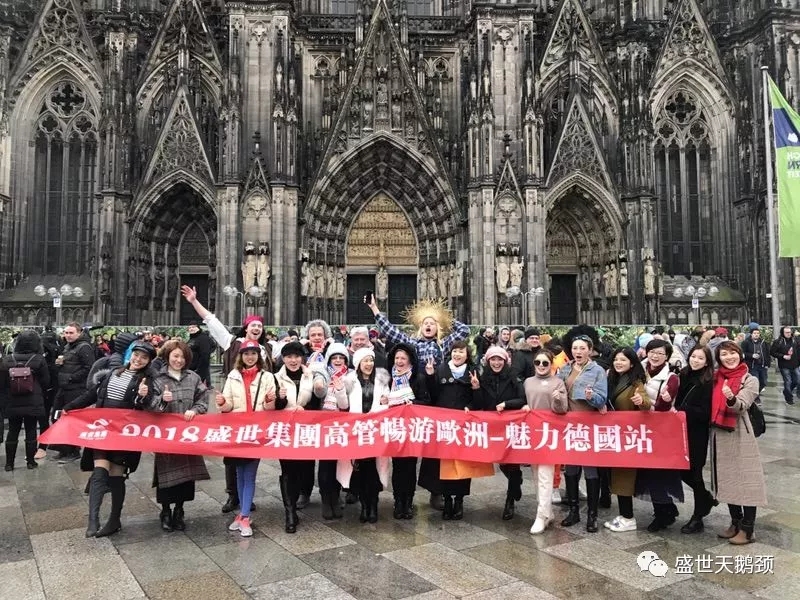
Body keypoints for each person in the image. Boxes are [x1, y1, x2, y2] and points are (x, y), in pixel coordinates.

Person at [366, 296, 469, 511]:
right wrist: (374, 308)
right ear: (420, 327)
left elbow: (464, 331)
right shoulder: (412, 343)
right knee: (407, 452)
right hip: (412, 398)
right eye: (425, 323)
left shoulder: (443, 345)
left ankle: (436, 492)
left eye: (432, 323)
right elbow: (390, 331)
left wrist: (446, 318)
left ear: (437, 327)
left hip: (435, 399)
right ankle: (403, 498)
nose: (428, 326)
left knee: (436, 447)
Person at [180, 285, 268, 513]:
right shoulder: (232, 343)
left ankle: (246, 494)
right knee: (232, 453)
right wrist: (193, 301)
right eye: (253, 325)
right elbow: (211, 321)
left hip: (257, 412)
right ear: (246, 328)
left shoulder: (267, 350)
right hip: (233, 408)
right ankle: (233, 495)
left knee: (252, 455)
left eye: (259, 326)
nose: (256, 328)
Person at [63, 342, 158, 537]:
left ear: (148, 361)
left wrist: (143, 396)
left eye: (144, 358)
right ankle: (93, 519)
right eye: (136, 355)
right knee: (99, 472)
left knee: (116, 476)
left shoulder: (147, 381)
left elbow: (147, 408)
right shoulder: (113, 372)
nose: (138, 360)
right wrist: (69, 407)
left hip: (125, 434)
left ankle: (114, 520)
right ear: (131, 355)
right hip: (104, 430)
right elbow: (92, 394)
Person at [216, 340, 277, 537]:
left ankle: (244, 515)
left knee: (249, 474)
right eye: (246, 353)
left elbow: (270, 408)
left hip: (256, 431)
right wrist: (222, 402)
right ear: (241, 356)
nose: (250, 357)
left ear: (259, 356)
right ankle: (242, 513)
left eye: (253, 353)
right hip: (237, 431)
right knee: (239, 473)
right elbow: (228, 406)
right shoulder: (233, 376)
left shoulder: (267, 377)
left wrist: (269, 400)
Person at [148, 340, 210, 532]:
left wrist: (195, 410)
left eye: (183, 357)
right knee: (166, 476)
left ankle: (179, 511)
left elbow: (203, 399)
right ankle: (166, 511)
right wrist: (162, 400)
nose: (179, 360)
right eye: (175, 356)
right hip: (166, 436)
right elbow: (150, 406)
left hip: (187, 436)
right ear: (168, 356)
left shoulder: (193, 377)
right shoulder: (158, 379)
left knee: (186, 477)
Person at [710, 341, 767, 544]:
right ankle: (735, 522)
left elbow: (742, 404)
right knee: (727, 479)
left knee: (747, 480)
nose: (729, 357)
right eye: (724, 354)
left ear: (740, 354)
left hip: (740, 433)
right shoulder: (715, 378)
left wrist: (731, 399)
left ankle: (748, 528)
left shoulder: (750, 379)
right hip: (719, 434)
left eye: (732, 352)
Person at [557, 332, 607, 532]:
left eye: (582, 348)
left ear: (590, 350)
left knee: (590, 469)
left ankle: (592, 515)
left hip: (589, 426)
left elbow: (602, 399)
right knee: (570, 469)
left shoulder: (598, 371)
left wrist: (591, 396)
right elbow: (556, 390)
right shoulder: (564, 369)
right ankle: (573, 511)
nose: (578, 351)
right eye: (575, 348)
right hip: (569, 426)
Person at [424, 340, 477, 520]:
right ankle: (447, 500)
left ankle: (459, 501)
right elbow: (432, 396)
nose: (457, 354)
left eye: (461, 351)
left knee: (462, 464)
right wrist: (430, 376)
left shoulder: (473, 372)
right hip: (444, 426)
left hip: (464, 426)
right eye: (455, 351)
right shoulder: (441, 370)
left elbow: (478, 399)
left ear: (467, 355)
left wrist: (475, 391)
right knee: (444, 464)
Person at [473, 346, 526, 520]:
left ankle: (510, 501)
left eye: (500, 360)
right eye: (493, 360)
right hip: (492, 427)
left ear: (505, 361)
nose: (496, 363)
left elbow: (522, 399)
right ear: (488, 361)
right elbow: (479, 404)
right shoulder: (483, 378)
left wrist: (506, 404)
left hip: (511, 425)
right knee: (501, 462)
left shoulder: (513, 377)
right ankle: (516, 480)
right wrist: (476, 388)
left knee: (512, 462)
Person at [637, 338, 685, 532]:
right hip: (640, 428)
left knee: (657, 471)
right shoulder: (639, 370)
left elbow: (664, 407)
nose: (655, 356)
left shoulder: (671, 378)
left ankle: (663, 512)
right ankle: (666, 508)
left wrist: (664, 400)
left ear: (667, 356)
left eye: (660, 353)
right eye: (652, 352)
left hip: (660, 430)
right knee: (646, 471)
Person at [342, 347, 391, 523]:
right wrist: (339, 390)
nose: (369, 364)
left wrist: (386, 402)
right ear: (358, 364)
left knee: (374, 470)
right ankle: (364, 505)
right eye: (365, 361)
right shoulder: (349, 381)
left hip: (376, 431)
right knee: (359, 470)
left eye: (371, 360)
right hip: (357, 432)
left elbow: (387, 402)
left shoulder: (382, 380)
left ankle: (373, 505)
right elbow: (343, 405)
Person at [603, 348, 650, 532]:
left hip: (628, 436)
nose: (618, 362)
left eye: (623, 359)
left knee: (624, 476)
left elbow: (645, 401)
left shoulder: (636, 381)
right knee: (616, 476)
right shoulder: (611, 378)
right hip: (612, 434)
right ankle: (623, 515)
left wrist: (641, 401)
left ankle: (629, 518)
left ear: (632, 363)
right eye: (616, 359)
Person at [521, 349, 568, 533]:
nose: (541, 366)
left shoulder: (558, 382)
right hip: (533, 433)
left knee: (545, 475)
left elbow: (562, 409)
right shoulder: (528, 382)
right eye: (537, 362)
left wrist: (558, 400)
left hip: (550, 434)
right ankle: (547, 512)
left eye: (545, 363)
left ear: (551, 364)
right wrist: (524, 406)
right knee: (536, 475)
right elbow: (523, 401)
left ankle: (541, 515)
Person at [675, 345, 717, 534]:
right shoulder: (683, 374)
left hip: (697, 433)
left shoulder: (708, 381)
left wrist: (683, 411)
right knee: (681, 472)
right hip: (679, 431)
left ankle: (698, 516)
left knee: (694, 473)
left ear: (707, 362)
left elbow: (706, 412)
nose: (695, 360)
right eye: (693, 356)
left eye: (700, 358)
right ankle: (706, 498)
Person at [274, 341, 315, 533]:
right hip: (285, 431)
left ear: (302, 358)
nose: (293, 360)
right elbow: (272, 407)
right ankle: (289, 512)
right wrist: (280, 399)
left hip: (306, 430)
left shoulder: (310, 375)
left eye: (297, 356)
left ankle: (302, 495)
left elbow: (318, 401)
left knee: (304, 468)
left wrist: (305, 409)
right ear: (283, 359)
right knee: (288, 470)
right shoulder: (275, 378)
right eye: (289, 356)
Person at [316, 343, 360, 520]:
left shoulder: (351, 376)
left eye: (341, 358)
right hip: (324, 426)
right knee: (325, 465)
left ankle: (335, 497)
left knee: (339, 464)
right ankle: (326, 499)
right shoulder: (322, 374)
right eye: (334, 357)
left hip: (343, 427)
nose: (338, 361)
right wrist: (319, 387)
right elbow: (317, 393)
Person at [386, 342, 430, 519]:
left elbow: (426, 401)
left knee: (410, 467)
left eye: (403, 358)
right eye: (397, 358)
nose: (399, 361)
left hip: (412, 429)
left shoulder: (418, 378)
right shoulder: (389, 378)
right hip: (394, 428)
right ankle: (398, 501)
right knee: (397, 467)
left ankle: (408, 501)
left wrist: (413, 404)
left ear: (410, 360)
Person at [0, 330, 50, 470]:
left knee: (12, 431)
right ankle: (30, 462)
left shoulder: (8, 359)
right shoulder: (39, 359)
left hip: (12, 401)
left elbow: (2, 382)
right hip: (33, 400)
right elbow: (46, 381)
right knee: (31, 430)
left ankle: (9, 463)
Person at [53, 322, 95, 462]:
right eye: (66, 332)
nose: (68, 335)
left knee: (71, 420)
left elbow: (89, 368)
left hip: (76, 388)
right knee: (57, 416)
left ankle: (73, 451)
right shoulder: (67, 347)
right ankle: (63, 449)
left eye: (71, 333)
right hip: (64, 387)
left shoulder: (84, 347)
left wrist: (71, 378)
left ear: (79, 333)